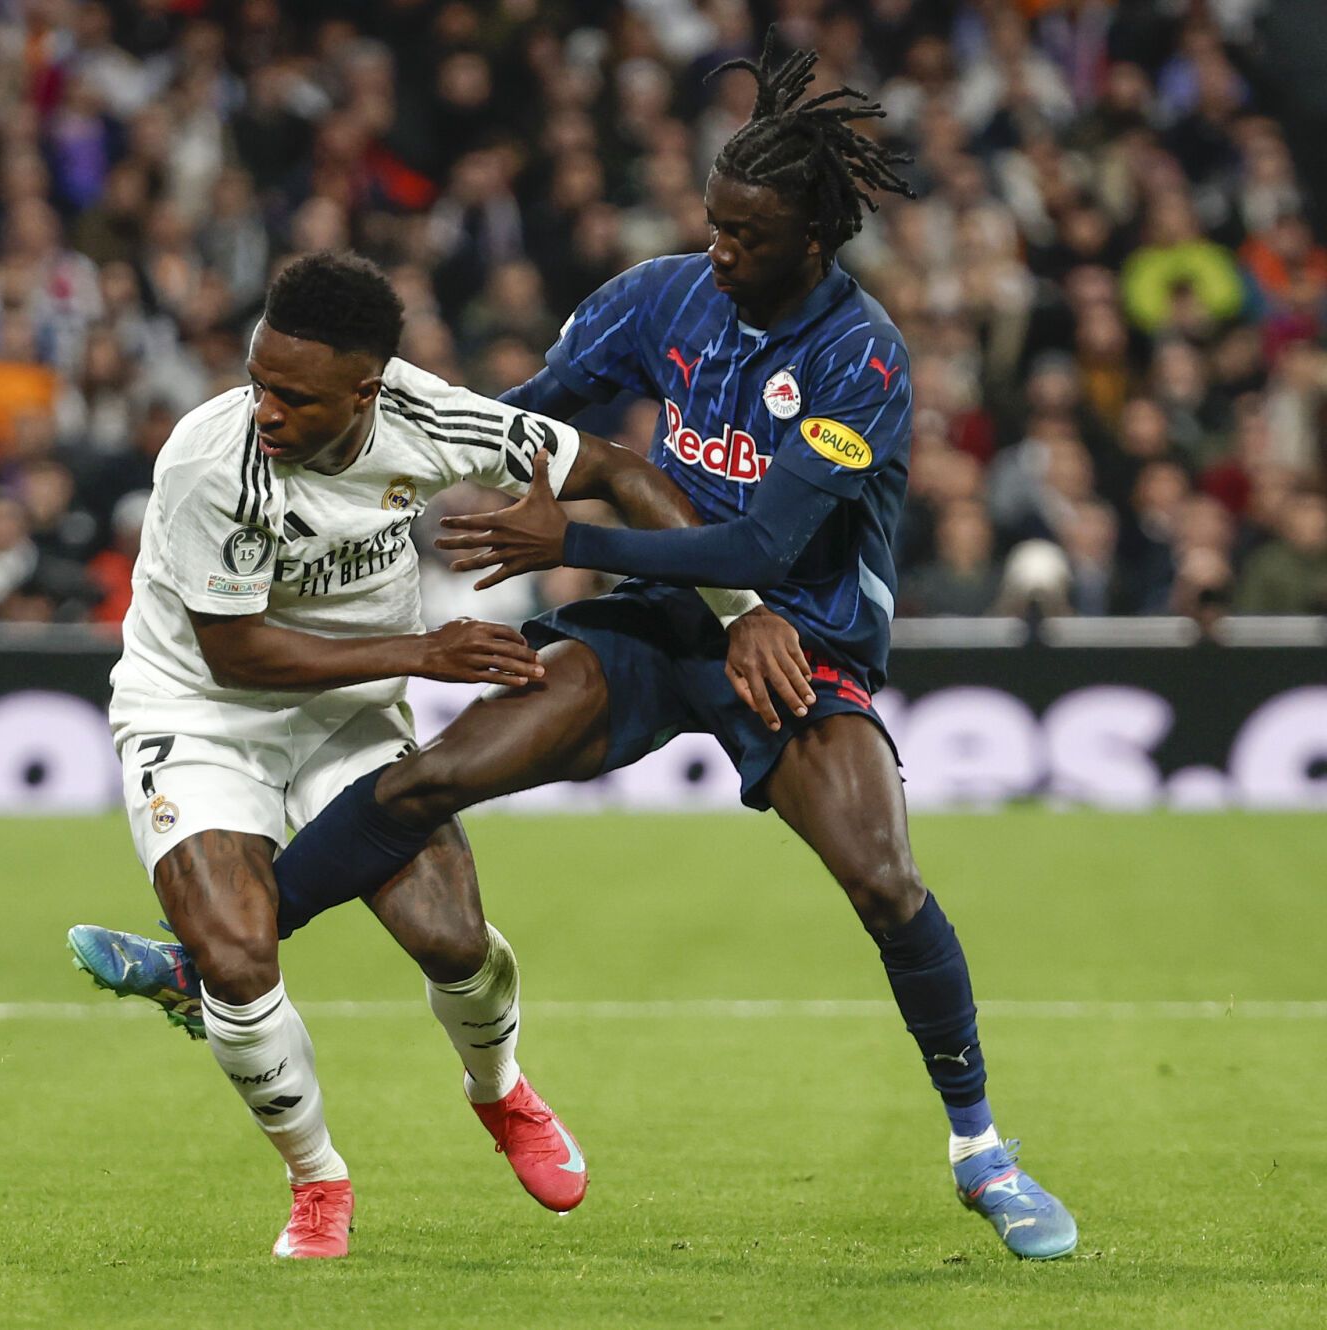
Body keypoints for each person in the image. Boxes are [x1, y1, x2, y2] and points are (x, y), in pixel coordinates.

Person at [85, 39, 1079, 1262]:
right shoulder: (660, 294)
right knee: (432, 777)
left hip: (798, 645)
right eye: (710, 225)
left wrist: (600, 541)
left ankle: (982, 1152)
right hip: (654, 631)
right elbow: (538, 415)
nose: (716, 252)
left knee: (881, 879)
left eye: (744, 237)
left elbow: (763, 536)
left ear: (811, 241)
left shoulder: (859, 358)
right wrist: (444, 482)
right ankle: (211, 971)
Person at [69, 251, 803, 1261]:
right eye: (257, 380)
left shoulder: (433, 418)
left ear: (365, 390)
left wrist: (743, 614)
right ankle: (316, 1178)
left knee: (453, 940)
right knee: (237, 960)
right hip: (197, 711)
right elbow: (233, 649)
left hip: (348, 713)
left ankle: (499, 1093)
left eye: (293, 394)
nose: (265, 410)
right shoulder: (212, 460)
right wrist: (425, 651)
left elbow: (623, 472)